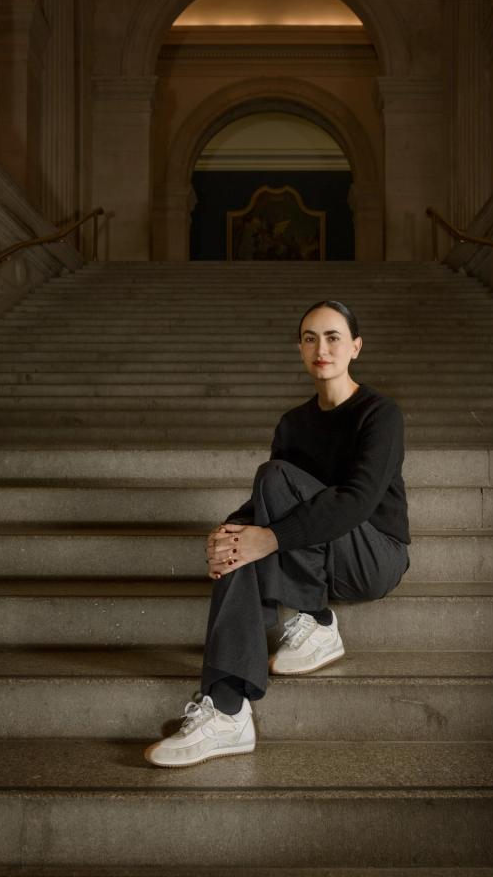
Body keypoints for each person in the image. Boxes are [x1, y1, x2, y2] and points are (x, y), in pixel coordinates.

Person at [144, 299, 411, 768]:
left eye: (333, 337)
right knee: (245, 527)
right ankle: (227, 707)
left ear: (355, 348)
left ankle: (318, 621)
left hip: (372, 557)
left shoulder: (380, 414)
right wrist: (227, 535)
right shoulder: (294, 423)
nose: (321, 348)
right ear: (301, 349)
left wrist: (266, 539)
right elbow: (267, 507)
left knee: (272, 483)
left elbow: (355, 500)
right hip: (315, 551)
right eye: (310, 338)